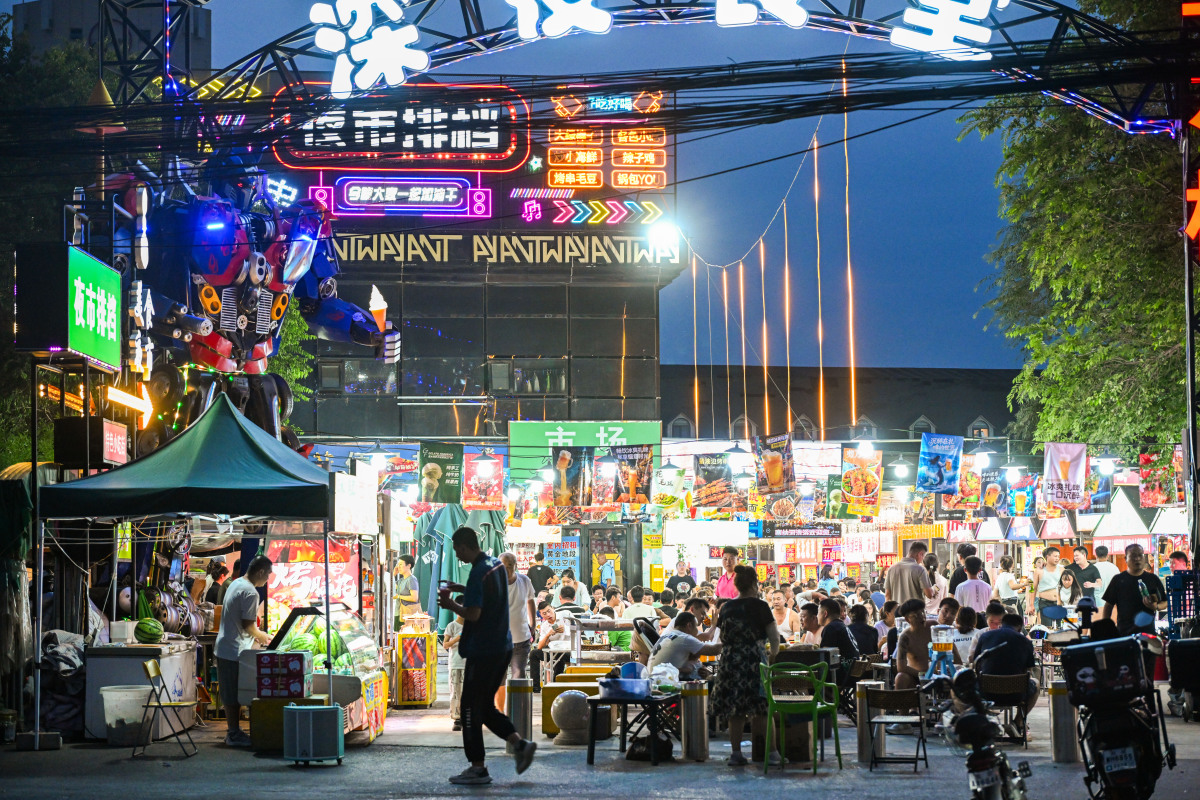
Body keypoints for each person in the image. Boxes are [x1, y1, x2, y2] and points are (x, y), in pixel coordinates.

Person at [436, 527, 536, 785]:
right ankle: (519, 744)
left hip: (484, 649)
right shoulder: (495, 565)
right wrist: (462, 587)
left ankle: (478, 767)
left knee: (469, 708)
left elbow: (474, 614)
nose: (457, 555)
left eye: (458, 550)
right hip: (501, 646)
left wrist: (450, 605)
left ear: (466, 546)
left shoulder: (480, 571)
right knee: (483, 705)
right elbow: (489, 596)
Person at [708, 564, 782, 767]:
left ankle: (736, 753)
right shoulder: (760, 606)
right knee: (762, 707)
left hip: (730, 660)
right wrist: (772, 655)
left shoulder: (728, 607)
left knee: (736, 708)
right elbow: (774, 638)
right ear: (754, 584)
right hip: (753, 659)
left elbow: (721, 635)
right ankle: (772, 753)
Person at [214, 554, 273, 747]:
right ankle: (233, 734)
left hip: (226, 646)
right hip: (234, 649)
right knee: (233, 694)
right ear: (261, 571)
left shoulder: (237, 582)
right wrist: (263, 636)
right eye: (268, 575)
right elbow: (248, 625)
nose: (268, 580)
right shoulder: (251, 592)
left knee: (232, 692)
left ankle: (235, 732)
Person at [972, 613, 1039, 716]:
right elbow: (1028, 669)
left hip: (986, 692)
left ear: (1001, 624)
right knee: (1036, 683)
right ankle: (1019, 721)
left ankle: (979, 720)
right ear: (1020, 628)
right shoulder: (1026, 642)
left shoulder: (985, 636)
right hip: (1016, 694)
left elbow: (976, 662)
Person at [1101, 543, 1167, 636]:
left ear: (1144, 558)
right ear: (1126, 559)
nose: (1137, 559)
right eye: (1133, 556)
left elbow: (1164, 602)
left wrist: (1155, 607)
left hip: (1148, 634)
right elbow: (1108, 606)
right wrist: (1106, 627)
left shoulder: (1153, 579)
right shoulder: (1118, 580)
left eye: (1140, 555)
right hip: (1124, 634)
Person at [498, 552, 536, 706]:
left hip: (521, 639)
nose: (505, 570)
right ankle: (499, 713)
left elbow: (530, 601)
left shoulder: (524, 581)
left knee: (518, 674)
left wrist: (532, 625)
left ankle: (516, 712)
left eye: (509, 566)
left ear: (516, 566)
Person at [649, 611, 722, 680]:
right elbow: (714, 650)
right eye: (696, 627)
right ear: (689, 625)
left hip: (654, 678)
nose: (697, 631)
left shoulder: (666, 636)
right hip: (667, 681)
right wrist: (731, 640)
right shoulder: (684, 638)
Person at [894, 599, 932, 690]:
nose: (922, 617)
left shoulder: (933, 627)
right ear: (907, 619)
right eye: (916, 615)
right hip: (916, 677)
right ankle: (898, 704)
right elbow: (901, 667)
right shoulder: (905, 637)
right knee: (900, 677)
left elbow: (952, 648)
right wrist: (923, 674)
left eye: (923, 613)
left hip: (938, 674)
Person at [884, 541, 936, 606]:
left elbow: (887, 595)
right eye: (923, 556)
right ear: (920, 554)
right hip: (914, 613)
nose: (922, 560)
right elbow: (929, 595)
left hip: (896, 612)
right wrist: (934, 590)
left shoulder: (891, 569)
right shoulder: (920, 569)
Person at [1027, 546, 1064, 625]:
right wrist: (1031, 604)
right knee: (1047, 628)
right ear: (1047, 556)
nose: (1057, 558)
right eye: (1055, 556)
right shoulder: (1039, 570)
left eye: (1058, 556)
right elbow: (1033, 588)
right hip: (1044, 603)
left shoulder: (1062, 569)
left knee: (1059, 628)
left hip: (1059, 603)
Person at [818, 597, 860, 663]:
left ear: (825, 614)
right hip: (851, 668)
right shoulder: (841, 625)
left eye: (818, 612)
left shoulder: (831, 628)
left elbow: (825, 656)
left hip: (841, 671)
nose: (817, 616)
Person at [444, 614, 466, 731]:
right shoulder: (451, 626)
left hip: (469, 663)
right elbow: (445, 645)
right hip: (455, 663)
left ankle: (467, 717)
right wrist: (457, 639)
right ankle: (457, 719)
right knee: (455, 692)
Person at [394, 554, 420, 630]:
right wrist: (394, 574)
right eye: (398, 564)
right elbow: (391, 587)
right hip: (399, 612)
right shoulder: (401, 580)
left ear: (409, 565)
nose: (398, 567)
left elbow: (414, 598)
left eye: (401, 564)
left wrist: (398, 596)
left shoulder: (411, 579)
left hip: (407, 614)